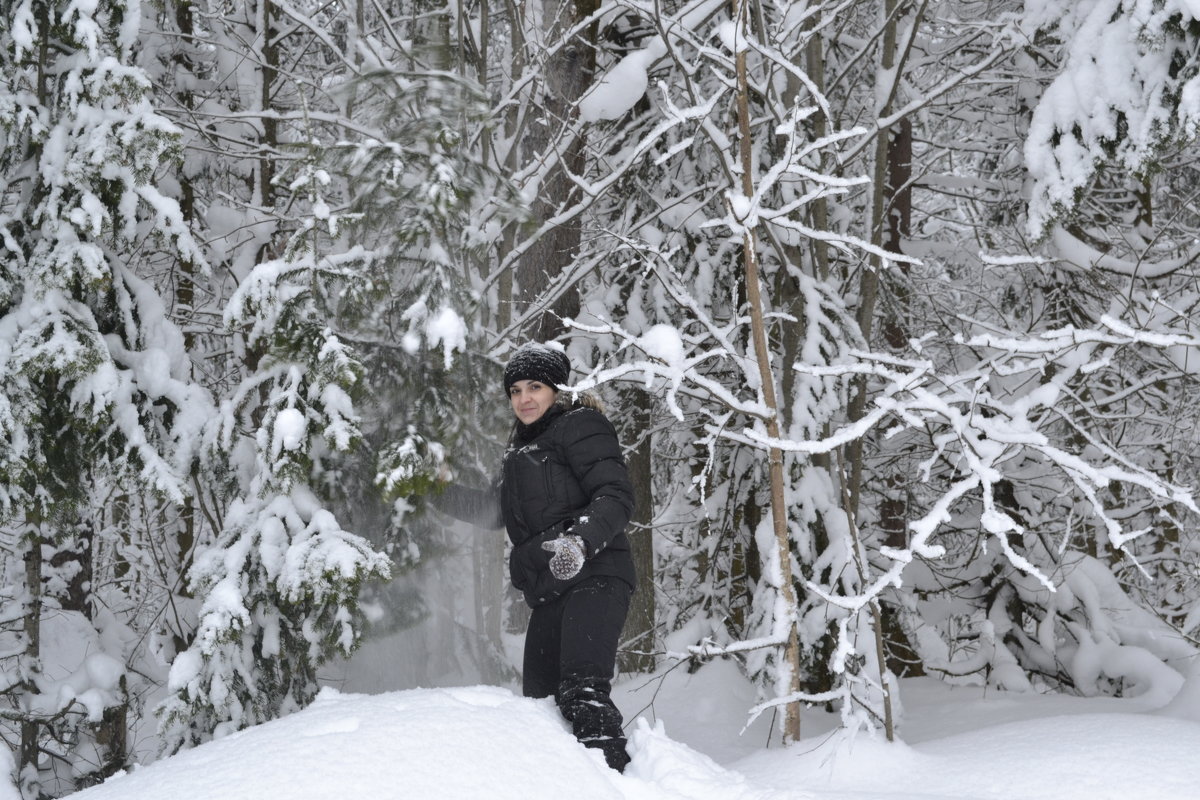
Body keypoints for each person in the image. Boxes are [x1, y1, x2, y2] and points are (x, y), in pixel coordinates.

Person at [435, 342, 637, 772]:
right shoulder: (519, 452)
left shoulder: (581, 424)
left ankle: (616, 785)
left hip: (596, 573)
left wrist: (578, 543)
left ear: (557, 389)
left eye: (535, 387)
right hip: (551, 588)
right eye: (515, 391)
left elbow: (616, 495)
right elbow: (492, 512)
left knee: (581, 692)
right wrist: (431, 490)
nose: (523, 399)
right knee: (542, 711)